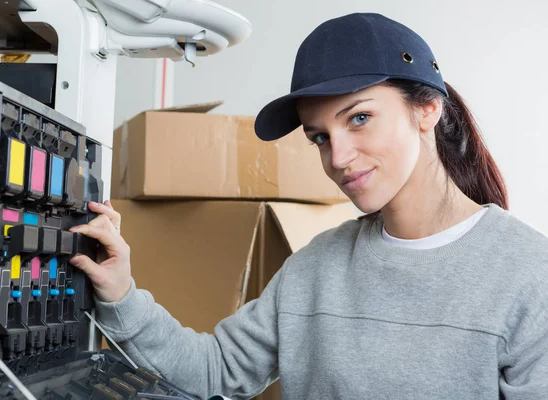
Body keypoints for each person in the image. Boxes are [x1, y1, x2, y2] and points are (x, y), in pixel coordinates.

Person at [68, 13, 548, 400]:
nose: (337, 158)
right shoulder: (317, 266)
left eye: (359, 118)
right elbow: (214, 371)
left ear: (427, 110)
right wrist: (121, 292)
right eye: (319, 137)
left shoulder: (529, 275)